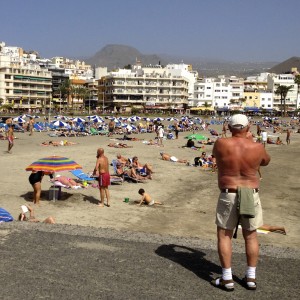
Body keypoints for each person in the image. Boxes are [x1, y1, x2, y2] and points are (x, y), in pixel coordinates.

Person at [211, 114, 270, 291]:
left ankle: (227, 278)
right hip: (250, 193)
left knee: (225, 235)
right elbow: (265, 161)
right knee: (251, 235)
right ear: (248, 126)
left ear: (229, 127)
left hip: (229, 192)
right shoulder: (257, 146)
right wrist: (250, 141)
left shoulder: (221, 143)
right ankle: (251, 277)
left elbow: (217, 156)